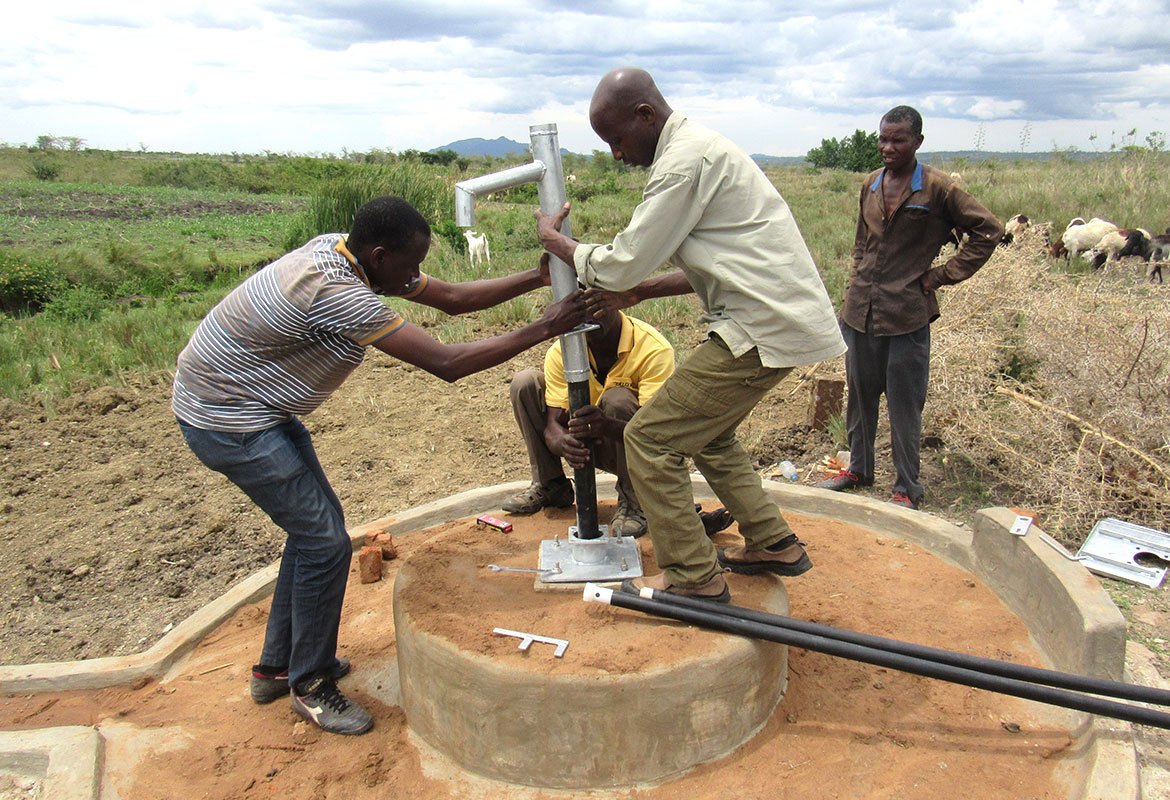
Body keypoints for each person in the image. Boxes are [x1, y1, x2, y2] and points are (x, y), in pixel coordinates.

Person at [172, 195, 583, 736]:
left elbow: (453, 298)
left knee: (313, 531)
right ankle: (311, 684)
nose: (415, 276)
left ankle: (275, 668)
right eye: (409, 266)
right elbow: (446, 362)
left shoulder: (347, 255)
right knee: (323, 541)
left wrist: (535, 280)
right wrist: (542, 329)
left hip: (256, 406)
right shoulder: (335, 291)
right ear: (380, 252)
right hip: (229, 417)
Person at [536, 67, 845, 603]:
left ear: (646, 115)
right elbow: (717, 261)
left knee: (650, 439)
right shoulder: (699, 150)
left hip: (760, 326)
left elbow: (618, 266)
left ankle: (692, 576)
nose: (615, 154)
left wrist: (557, 243)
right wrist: (642, 291)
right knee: (709, 432)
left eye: (615, 139)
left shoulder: (682, 163)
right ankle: (773, 541)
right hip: (770, 317)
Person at [816, 106, 1003, 509]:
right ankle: (859, 469)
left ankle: (906, 488)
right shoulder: (870, 184)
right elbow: (860, 247)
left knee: (904, 404)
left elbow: (989, 230)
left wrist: (941, 275)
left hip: (906, 315)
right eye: (883, 138)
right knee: (860, 397)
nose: (888, 147)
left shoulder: (938, 189)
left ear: (918, 141)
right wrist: (851, 293)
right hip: (860, 313)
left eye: (898, 140)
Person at [502, 298, 675, 538]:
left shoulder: (652, 349)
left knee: (618, 399)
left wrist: (605, 426)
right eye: (580, 313)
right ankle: (551, 485)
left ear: (617, 303)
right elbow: (553, 426)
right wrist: (562, 442)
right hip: (584, 446)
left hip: (632, 448)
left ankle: (634, 501)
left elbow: (655, 436)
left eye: (598, 309)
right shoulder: (562, 351)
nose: (590, 319)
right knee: (525, 383)